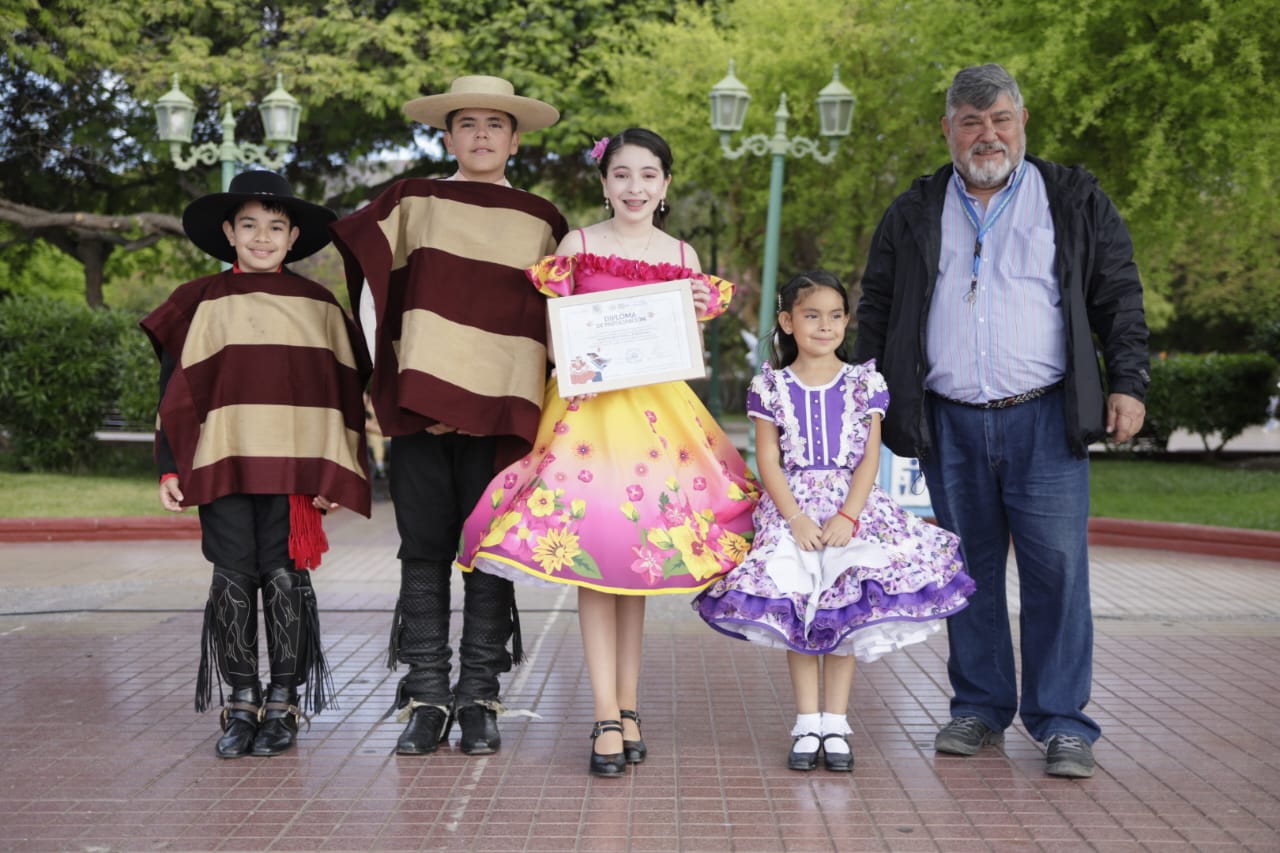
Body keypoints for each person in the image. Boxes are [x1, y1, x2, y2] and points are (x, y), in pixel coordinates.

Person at [852, 63, 1150, 778]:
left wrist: (1130, 383)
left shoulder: (1072, 198)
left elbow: (1118, 294)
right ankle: (980, 709)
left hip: (1045, 417)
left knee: (1057, 572)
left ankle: (1062, 721)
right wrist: (863, 396)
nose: (987, 135)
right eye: (971, 122)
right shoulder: (914, 209)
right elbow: (877, 307)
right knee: (968, 570)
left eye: (1000, 119)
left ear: (1022, 123)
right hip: (949, 422)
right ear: (948, 131)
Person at [455, 128, 759, 777]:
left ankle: (628, 706)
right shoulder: (578, 246)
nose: (634, 188)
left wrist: (693, 311)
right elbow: (557, 341)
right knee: (595, 559)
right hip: (587, 419)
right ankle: (604, 713)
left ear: (665, 184)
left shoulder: (682, 253)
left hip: (659, 423)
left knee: (636, 565)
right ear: (604, 182)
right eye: (622, 175)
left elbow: (682, 346)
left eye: (648, 175)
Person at [329, 75, 569, 757]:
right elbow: (374, 291)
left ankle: (479, 695)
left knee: (490, 552)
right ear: (447, 137)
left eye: (496, 125)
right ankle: (428, 693)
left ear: (515, 140)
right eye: (468, 123)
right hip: (422, 412)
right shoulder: (414, 200)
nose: (481, 135)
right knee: (424, 550)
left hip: (503, 414)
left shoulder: (543, 220)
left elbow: (557, 317)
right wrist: (401, 383)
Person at [695, 271, 974, 772]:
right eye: (811, 315)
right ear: (787, 322)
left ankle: (836, 724)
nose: (825, 326)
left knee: (844, 609)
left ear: (847, 321)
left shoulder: (865, 382)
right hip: (794, 510)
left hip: (853, 510)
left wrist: (849, 515)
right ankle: (807, 723)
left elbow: (869, 457)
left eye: (835, 316)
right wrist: (795, 518)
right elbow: (768, 460)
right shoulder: (771, 385)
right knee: (802, 609)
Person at [141, 170, 372, 758]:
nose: (262, 238)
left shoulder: (318, 306)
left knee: (284, 578)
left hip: (294, 470)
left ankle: (283, 702)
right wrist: (170, 466)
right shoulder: (197, 301)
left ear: (293, 237)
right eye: (249, 226)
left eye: (275, 227)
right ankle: (242, 702)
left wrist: (334, 472)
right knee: (232, 578)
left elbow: (344, 396)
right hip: (223, 462)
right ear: (229, 232)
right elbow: (175, 393)